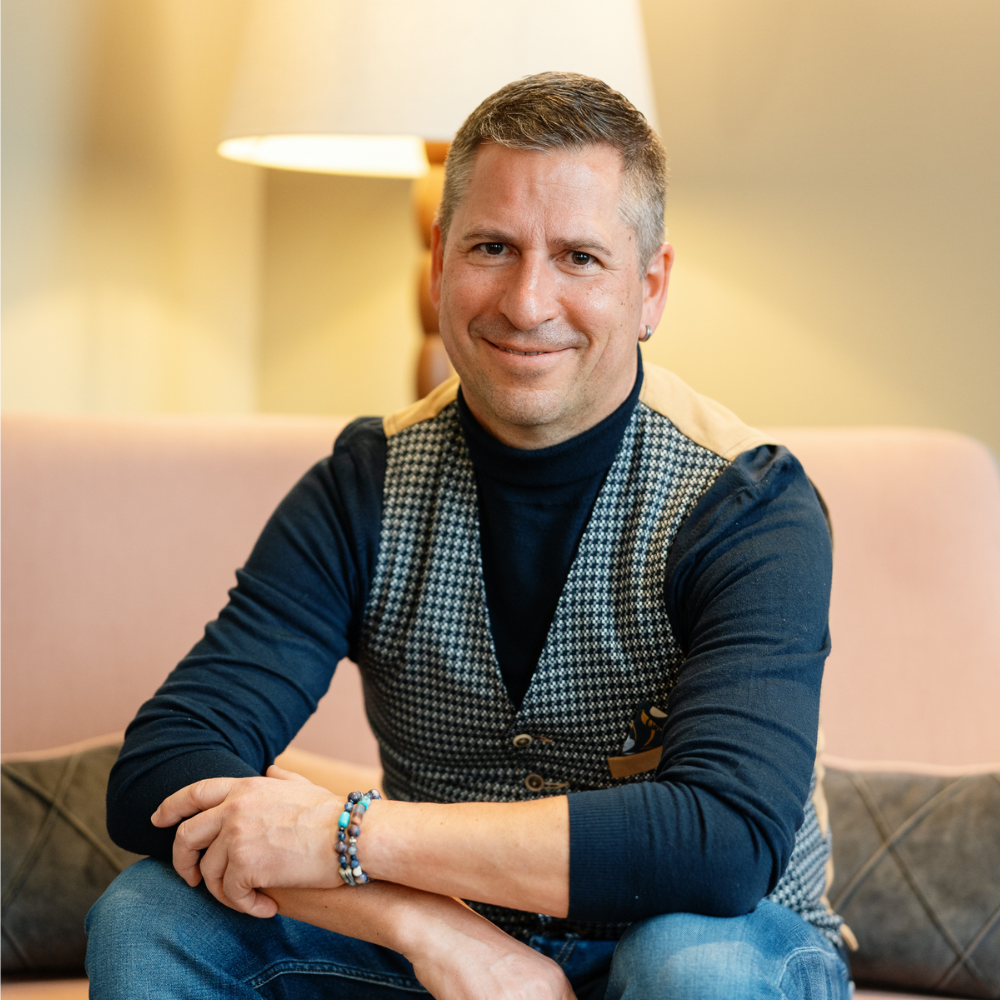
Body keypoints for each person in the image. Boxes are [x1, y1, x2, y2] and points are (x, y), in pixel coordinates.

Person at [86, 72, 851, 999]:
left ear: (650, 288)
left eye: (579, 258)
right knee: (146, 916)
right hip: (451, 957)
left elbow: (720, 844)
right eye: (493, 248)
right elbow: (164, 764)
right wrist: (428, 929)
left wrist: (346, 835)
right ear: (439, 263)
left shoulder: (749, 505)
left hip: (718, 941)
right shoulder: (363, 486)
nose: (527, 303)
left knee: (691, 969)